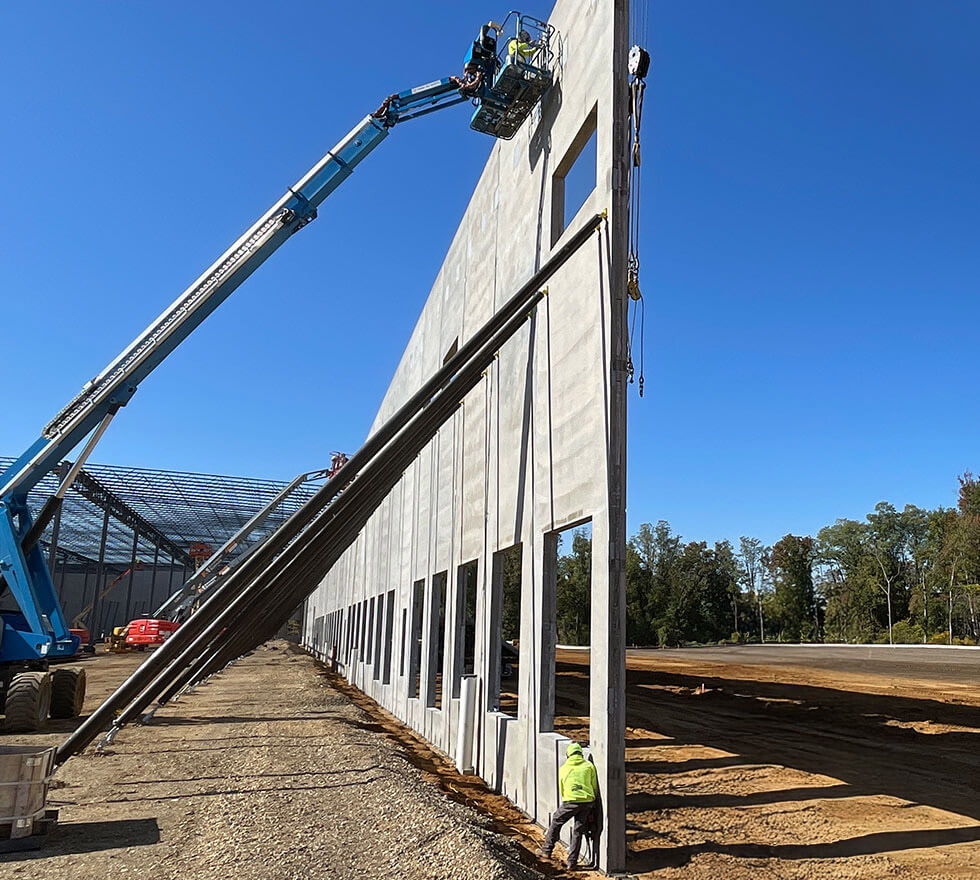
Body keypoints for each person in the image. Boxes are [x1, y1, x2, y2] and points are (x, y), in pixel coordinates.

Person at [539, 741, 598, 869]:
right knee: (578, 830)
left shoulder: (564, 768)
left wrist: (569, 799)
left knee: (556, 820)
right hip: (587, 802)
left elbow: (563, 788)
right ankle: (572, 862)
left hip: (571, 801)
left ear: (568, 755)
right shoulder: (589, 766)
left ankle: (547, 850)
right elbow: (594, 786)